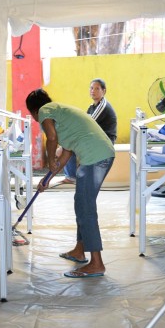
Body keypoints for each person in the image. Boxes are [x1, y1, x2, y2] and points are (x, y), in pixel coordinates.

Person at [26, 89, 115, 278]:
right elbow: (65, 155)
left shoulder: (45, 111)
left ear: (34, 112)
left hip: (95, 157)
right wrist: (47, 178)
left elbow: (51, 139)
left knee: (85, 207)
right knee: (81, 203)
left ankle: (97, 263)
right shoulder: (61, 116)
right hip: (101, 154)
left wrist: (50, 160)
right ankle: (79, 250)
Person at [62, 78, 117, 183]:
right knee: (68, 143)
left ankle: (72, 177)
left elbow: (86, 125)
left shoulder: (102, 106)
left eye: (97, 88)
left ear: (104, 91)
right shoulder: (92, 106)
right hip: (96, 139)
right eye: (91, 88)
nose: (93, 91)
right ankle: (73, 175)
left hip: (104, 142)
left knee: (68, 145)